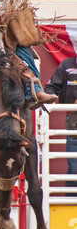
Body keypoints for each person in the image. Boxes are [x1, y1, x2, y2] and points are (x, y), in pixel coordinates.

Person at [44, 57, 77, 190]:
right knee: (74, 169)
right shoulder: (67, 65)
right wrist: (50, 98)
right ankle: (71, 204)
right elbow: (51, 87)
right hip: (74, 122)